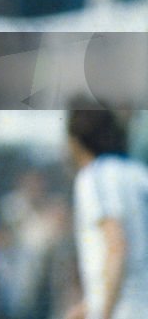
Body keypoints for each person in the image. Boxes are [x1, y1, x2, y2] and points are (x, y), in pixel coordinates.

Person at [66, 107, 148, 319]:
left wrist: (103, 313)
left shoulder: (95, 176)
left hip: (124, 309)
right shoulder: (138, 175)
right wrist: (88, 306)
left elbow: (117, 246)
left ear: (75, 141)